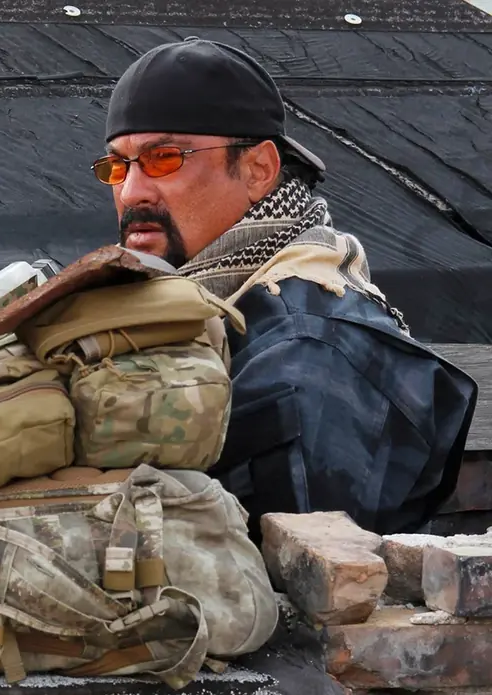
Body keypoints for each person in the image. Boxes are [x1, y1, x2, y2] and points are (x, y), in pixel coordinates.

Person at [92, 37, 478, 542]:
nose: (131, 191)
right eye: (118, 167)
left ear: (258, 171)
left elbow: (300, 574)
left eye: (164, 158)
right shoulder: (188, 314)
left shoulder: (309, 352)